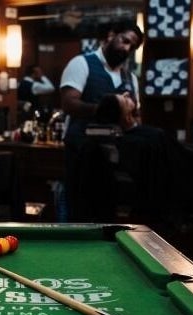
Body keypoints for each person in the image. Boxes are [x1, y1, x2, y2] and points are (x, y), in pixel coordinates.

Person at [85, 93, 193, 230]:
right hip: (178, 174)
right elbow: (179, 159)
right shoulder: (148, 139)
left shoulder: (136, 140)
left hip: (171, 168)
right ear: (126, 116)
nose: (127, 94)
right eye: (124, 99)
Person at [58, 19, 143, 221]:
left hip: (115, 159)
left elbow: (137, 117)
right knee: (80, 214)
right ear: (111, 35)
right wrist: (108, 107)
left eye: (132, 46)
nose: (126, 48)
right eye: (124, 41)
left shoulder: (131, 78)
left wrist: (129, 115)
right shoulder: (81, 63)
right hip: (82, 153)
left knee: (108, 217)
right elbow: (68, 103)